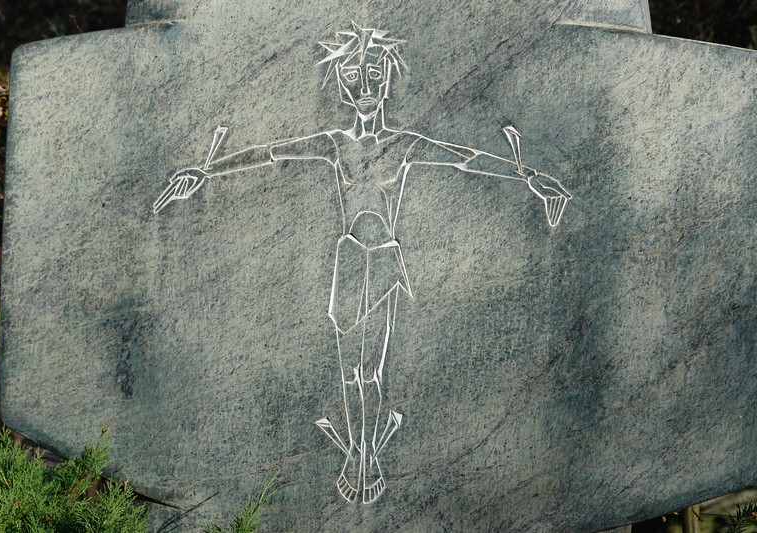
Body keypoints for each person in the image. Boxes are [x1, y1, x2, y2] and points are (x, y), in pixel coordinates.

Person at [154, 21, 571, 504]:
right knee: (349, 370)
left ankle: (365, 454)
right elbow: (270, 154)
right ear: (341, 84)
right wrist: (206, 171)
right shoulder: (334, 143)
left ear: (389, 78)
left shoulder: (405, 144)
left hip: (385, 264)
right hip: (350, 263)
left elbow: (467, 157)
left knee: (371, 369)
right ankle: (359, 448)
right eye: (353, 75)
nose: (366, 86)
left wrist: (527, 176)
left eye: (374, 73)